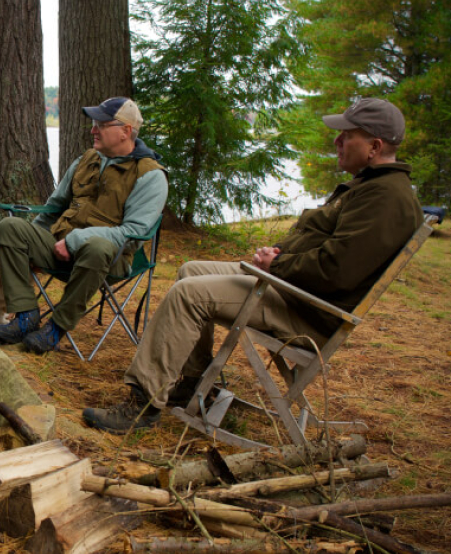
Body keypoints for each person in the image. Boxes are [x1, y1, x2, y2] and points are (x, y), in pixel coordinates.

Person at [83, 97, 424, 433]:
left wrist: (279, 264)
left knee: (188, 295)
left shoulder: (386, 198)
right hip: (290, 290)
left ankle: (142, 405)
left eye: (348, 135)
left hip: (305, 311)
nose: (337, 141)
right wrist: (276, 256)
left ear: (375, 146)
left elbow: (336, 271)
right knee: (191, 270)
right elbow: (326, 249)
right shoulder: (370, 186)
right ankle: (193, 382)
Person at [0, 97, 169, 353]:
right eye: (93, 123)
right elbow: (54, 207)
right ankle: (25, 315)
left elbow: (134, 233)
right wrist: (32, 245)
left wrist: (76, 241)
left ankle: (56, 328)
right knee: (10, 227)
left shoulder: (150, 174)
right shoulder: (86, 159)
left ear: (126, 131)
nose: (93, 129)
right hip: (59, 245)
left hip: (109, 258)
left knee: (97, 247)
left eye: (102, 124)